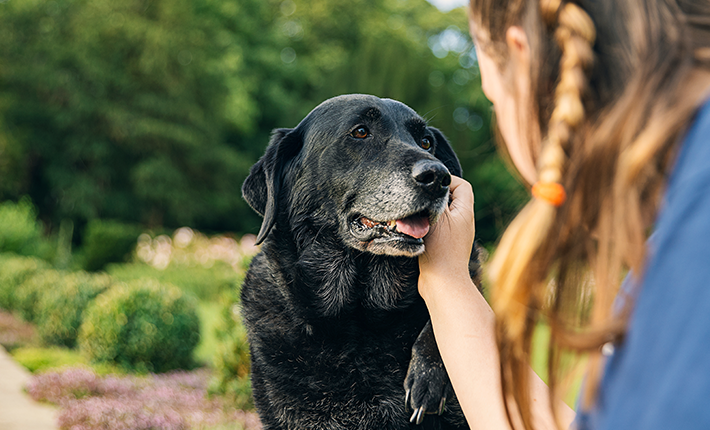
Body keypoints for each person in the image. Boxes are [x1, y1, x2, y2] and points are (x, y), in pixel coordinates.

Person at [417, 0, 710, 429]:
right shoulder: (673, 241)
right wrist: (446, 279)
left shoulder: (692, 252)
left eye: (494, 100)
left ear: (523, 56)